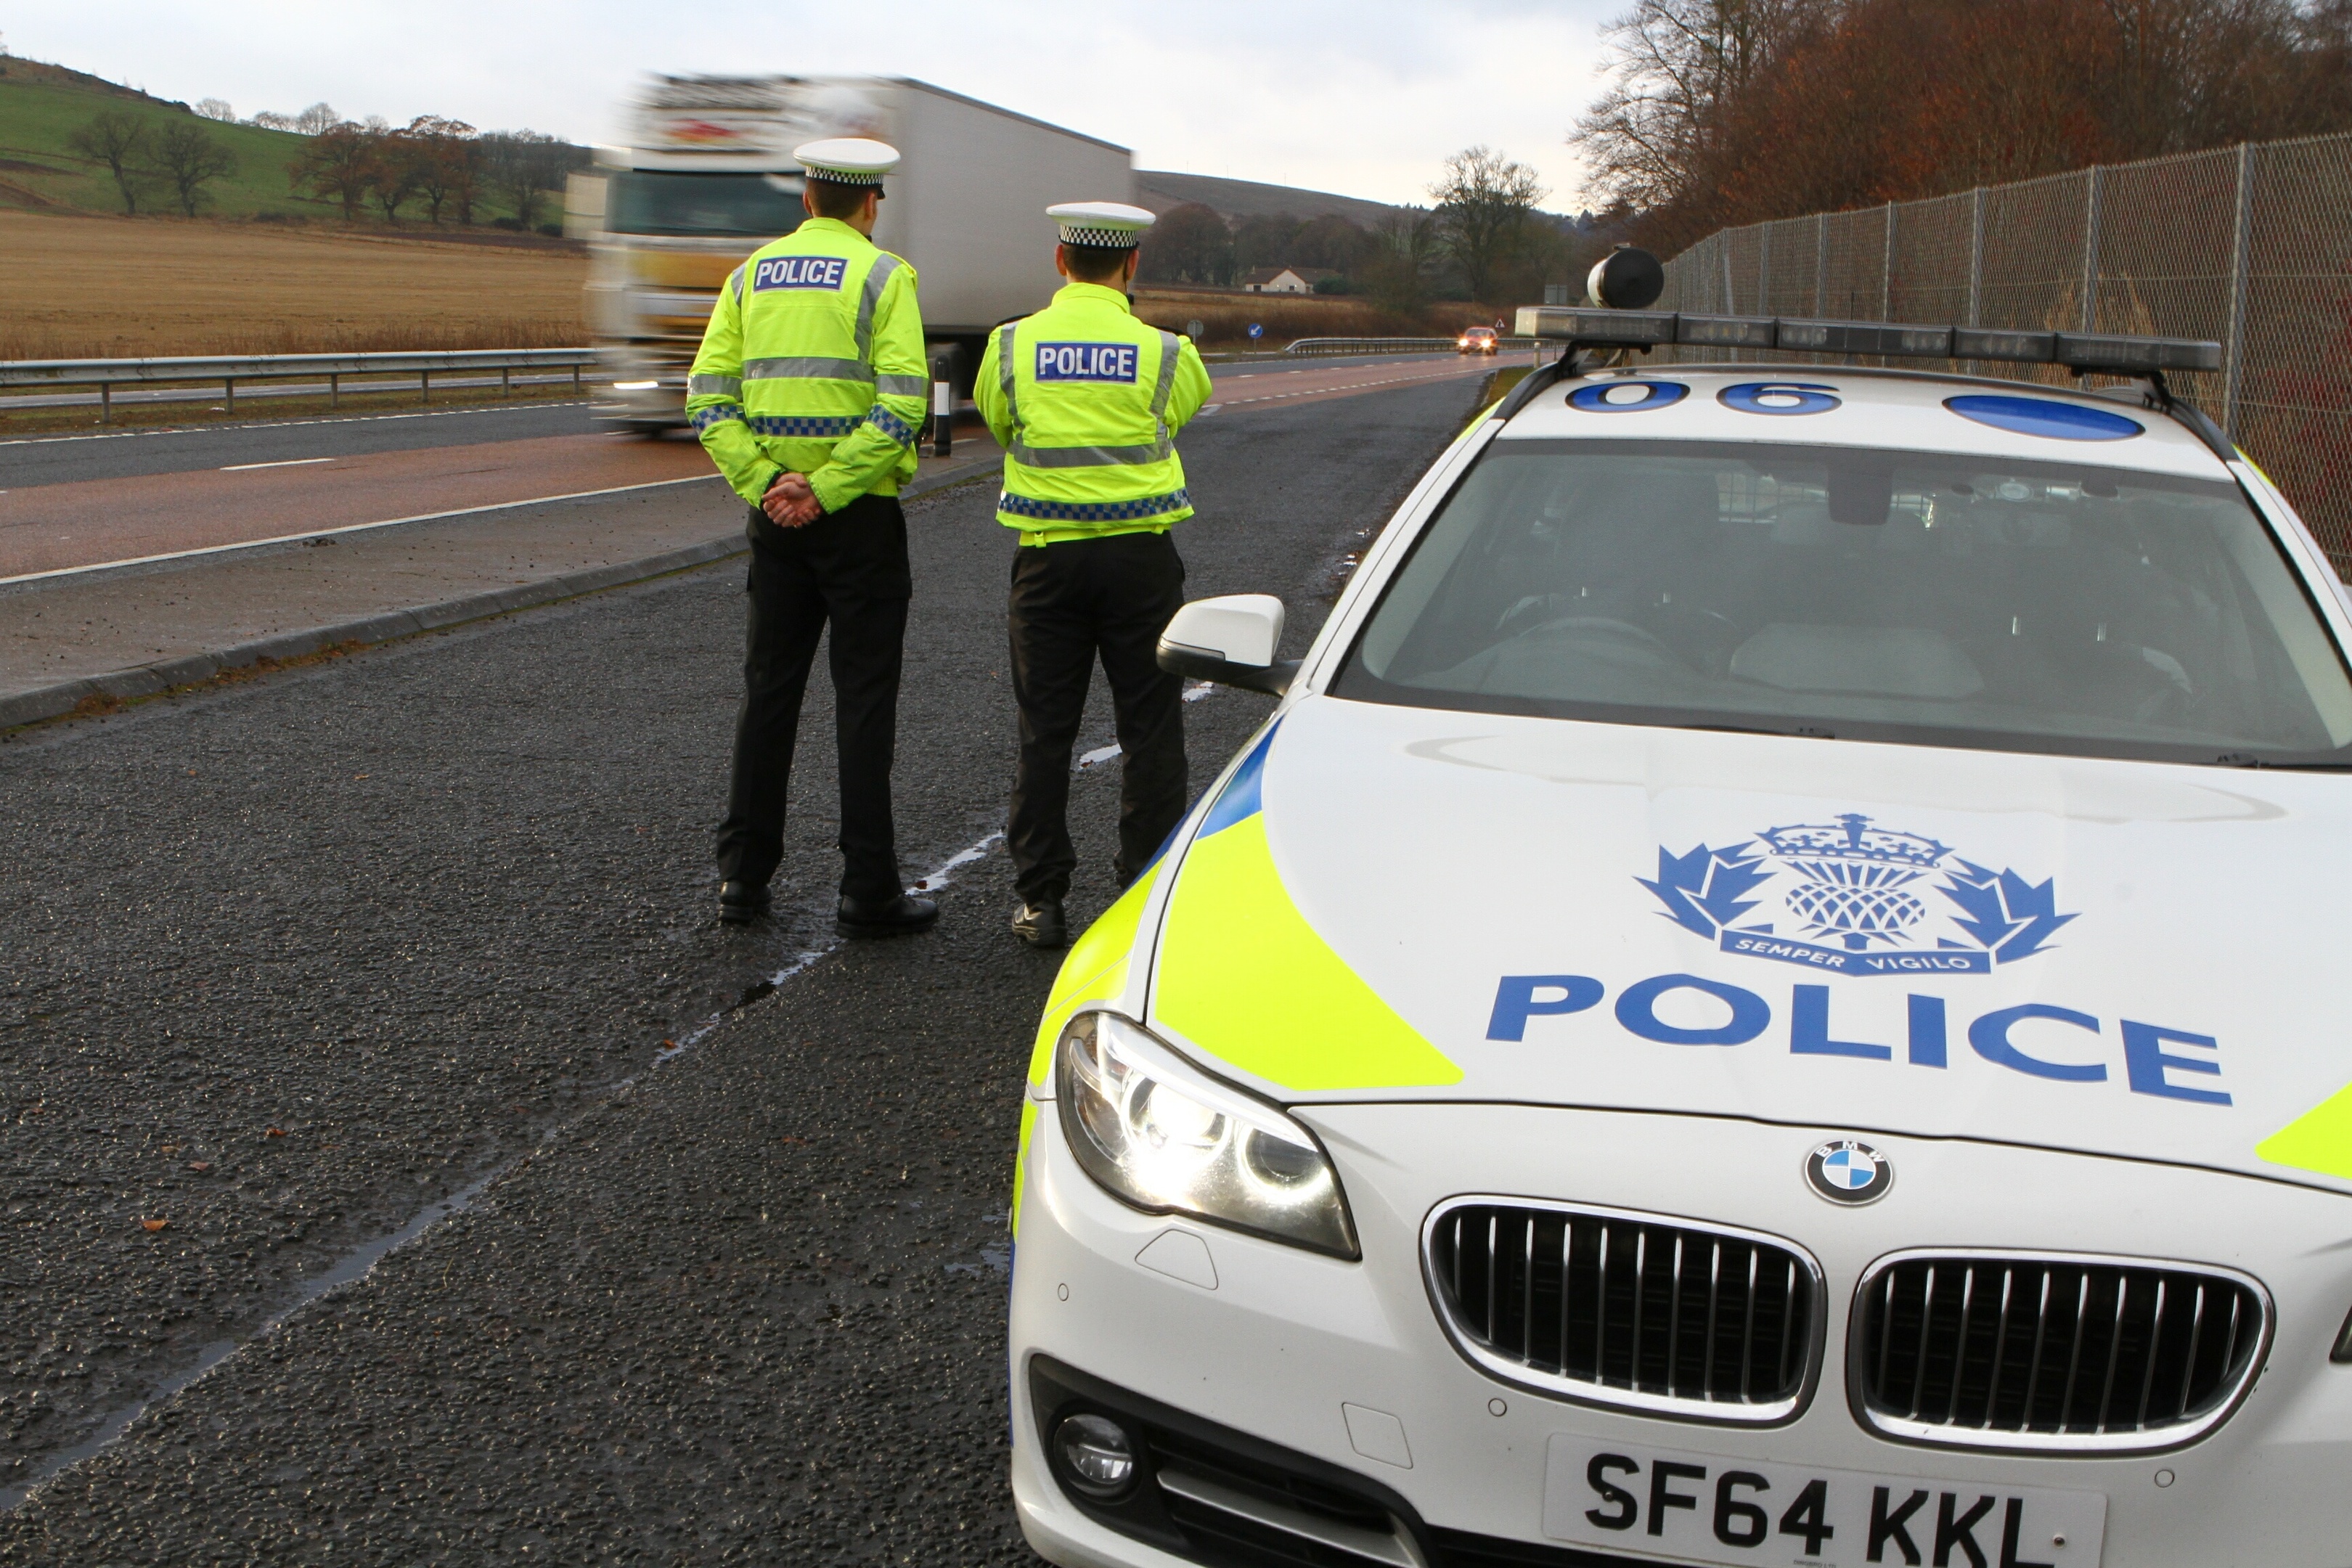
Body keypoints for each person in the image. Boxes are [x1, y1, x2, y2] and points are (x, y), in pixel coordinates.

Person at [687, 137, 937, 938]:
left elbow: (708, 398)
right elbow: (902, 405)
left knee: (769, 694)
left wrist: (769, 484)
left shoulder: (749, 276)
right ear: (871, 205)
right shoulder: (883, 277)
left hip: (775, 522)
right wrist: (827, 489)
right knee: (863, 703)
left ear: (805, 198)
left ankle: (742, 881)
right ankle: (868, 891)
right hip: (858, 518)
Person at [973, 203, 1214, 950]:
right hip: (1141, 562)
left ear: (1059, 260)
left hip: (1048, 561)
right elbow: (1174, 419)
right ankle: (1143, 892)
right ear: (1131, 266)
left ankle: (1040, 901)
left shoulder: (1010, 347)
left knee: (1045, 733)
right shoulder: (1169, 352)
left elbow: (1002, 425)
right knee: (1151, 728)